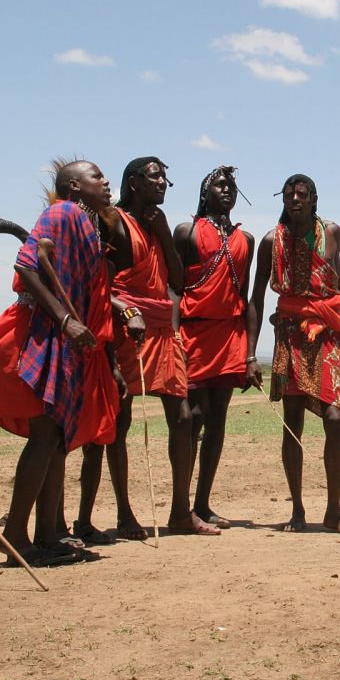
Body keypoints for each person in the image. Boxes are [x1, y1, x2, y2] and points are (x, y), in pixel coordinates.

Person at [75, 157, 220, 540]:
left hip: (161, 328)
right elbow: (98, 283)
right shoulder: (111, 221)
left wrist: (163, 232)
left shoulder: (157, 225)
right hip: (127, 327)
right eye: (155, 176)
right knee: (118, 422)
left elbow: (176, 281)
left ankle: (180, 512)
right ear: (134, 182)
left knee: (184, 417)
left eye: (165, 177)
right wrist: (124, 311)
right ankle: (125, 514)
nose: (163, 183)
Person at [0, 160, 126, 566]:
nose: (105, 182)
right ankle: (16, 536)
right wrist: (66, 320)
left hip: (67, 337)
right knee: (46, 435)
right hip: (43, 332)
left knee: (57, 439)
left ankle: (47, 534)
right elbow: (27, 266)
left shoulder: (85, 221)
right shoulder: (61, 212)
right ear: (74, 185)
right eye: (96, 176)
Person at [246, 175, 340, 534]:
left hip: (327, 333)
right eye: (290, 194)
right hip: (291, 334)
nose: (295, 199)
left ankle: (333, 511)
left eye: (302, 194)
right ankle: (297, 510)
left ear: (313, 199)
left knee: (334, 417)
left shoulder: (333, 232)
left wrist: (335, 320)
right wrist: (250, 355)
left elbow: (336, 284)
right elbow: (257, 299)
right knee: (292, 422)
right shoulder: (270, 241)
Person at [174, 166, 254, 529]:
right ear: (205, 192)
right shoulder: (186, 232)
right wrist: (173, 337)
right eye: (220, 185)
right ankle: (181, 505)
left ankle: (203, 503)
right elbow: (174, 289)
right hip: (192, 334)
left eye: (232, 186)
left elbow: (245, 295)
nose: (227, 190)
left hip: (229, 336)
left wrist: (250, 351)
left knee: (218, 420)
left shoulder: (246, 239)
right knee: (191, 418)